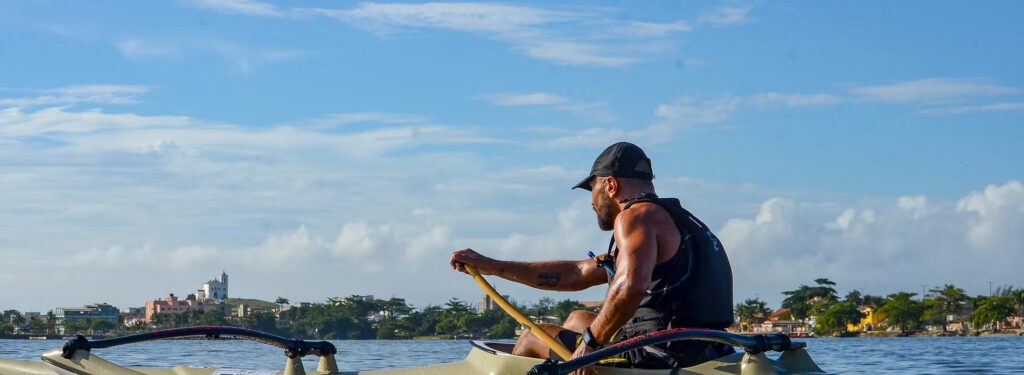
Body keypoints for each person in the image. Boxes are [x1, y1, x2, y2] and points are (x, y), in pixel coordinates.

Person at [450, 142, 735, 374]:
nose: (591, 201)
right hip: (710, 348)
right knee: (576, 318)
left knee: (531, 337)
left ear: (610, 186)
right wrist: (491, 265)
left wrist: (590, 344)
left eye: (593, 189)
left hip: (662, 356)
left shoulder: (635, 217)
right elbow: (577, 273)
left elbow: (631, 286)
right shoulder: (679, 222)